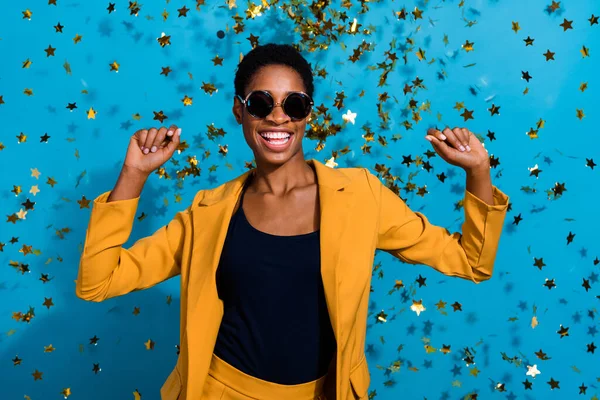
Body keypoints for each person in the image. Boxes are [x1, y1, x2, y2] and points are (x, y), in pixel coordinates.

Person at [76, 43, 510, 400]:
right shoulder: (208, 212)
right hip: (218, 390)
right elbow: (99, 281)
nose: (278, 116)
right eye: (261, 102)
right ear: (239, 110)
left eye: (294, 104)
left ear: (309, 114)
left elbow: (471, 261)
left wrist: (478, 172)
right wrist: (133, 175)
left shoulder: (360, 196)